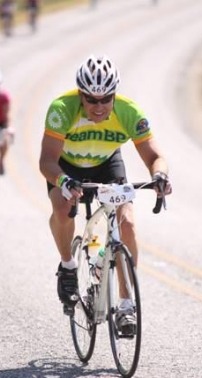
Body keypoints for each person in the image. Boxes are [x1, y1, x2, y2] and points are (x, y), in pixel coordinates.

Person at [39, 55, 172, 333]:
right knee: (62, 208)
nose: (98, 107)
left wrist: (159, 176)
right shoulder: (62, 109)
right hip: (66, 167)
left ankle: (126, 305)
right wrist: (62, 181)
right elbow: (46, 161)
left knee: (128, 224)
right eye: (91, 100)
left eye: (105, 99)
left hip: (107, 165)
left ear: (114, 95)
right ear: (81, 95)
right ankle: (67, 266)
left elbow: (155, 156)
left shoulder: (129, 112)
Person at [0, 70, 14, 175]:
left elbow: (7, 112)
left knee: (5, 143)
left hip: (2, 123)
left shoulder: (4, 97)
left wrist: (8, 127)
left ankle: (1, 161)